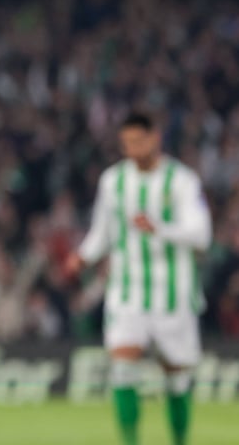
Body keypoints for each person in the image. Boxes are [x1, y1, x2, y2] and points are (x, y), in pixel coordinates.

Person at [65, 111, 211, 445]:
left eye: (138, 141)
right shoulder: (112, 181)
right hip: (127, 290)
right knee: (122, 366)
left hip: (173, 292)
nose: (132, 149)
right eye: (126, 143)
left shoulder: (182, 180)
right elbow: (102, 232)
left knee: (176, 378)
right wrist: (82, 257)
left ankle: (179, 440)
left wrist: (159, 228)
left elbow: (202, 235)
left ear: (154, 138)